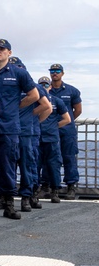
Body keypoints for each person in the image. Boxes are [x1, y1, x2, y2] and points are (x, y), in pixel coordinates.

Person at [0, 39, 39, 220]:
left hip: (8, 127)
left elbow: (33, 95)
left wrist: (15, 107)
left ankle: (9, 203)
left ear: (9, 53)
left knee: (7, 166)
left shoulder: (19, 73)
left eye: (2, 49)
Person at [11, 57, 51, 212]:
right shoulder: (8, 86)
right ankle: (5, 196)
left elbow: (47, 107)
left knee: (28, 165)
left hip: (27, 133)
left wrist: (33, 118)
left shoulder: (34, 87)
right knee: (7, 166)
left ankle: (28, 196)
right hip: (10, 131)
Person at [47, 64, 83, 199]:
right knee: (50, 158)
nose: (54, 73)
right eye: (52, 71)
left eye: (57, 71)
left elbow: (78, 110)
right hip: (50, 130)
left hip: (67, 131)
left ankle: (71, 186)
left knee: (69, 157)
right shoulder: (46, 90)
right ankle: (50, 186)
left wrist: (67, 121)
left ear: (62, 73)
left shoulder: (72, 91)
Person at [38, 77, 73, 202]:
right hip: (36, 138)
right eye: (41, 85)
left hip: (52, 139)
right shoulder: (33, 101)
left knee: (54, 165)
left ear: (50, 87)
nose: (43, 87)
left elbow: (67, 119)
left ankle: (55, 191)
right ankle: (35, 190)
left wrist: (54, 126)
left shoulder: (57, 101)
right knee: (34, 165)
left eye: (46, 85)